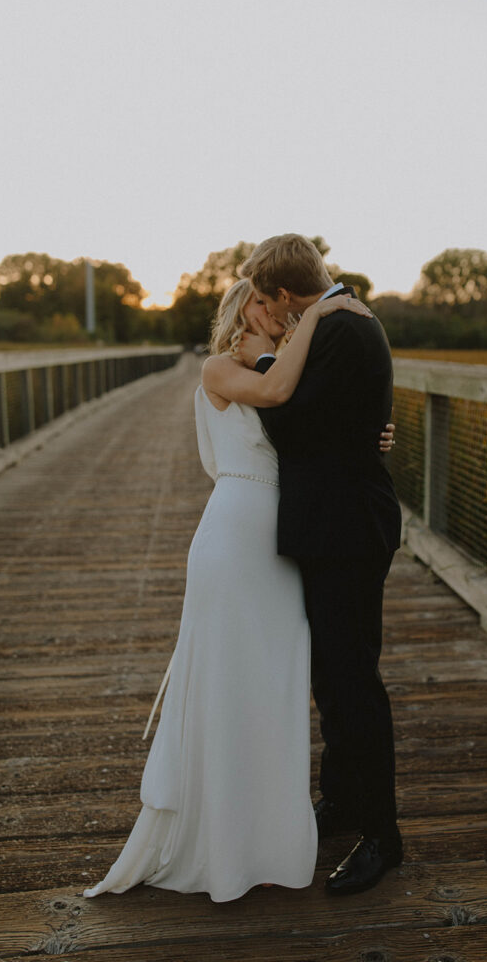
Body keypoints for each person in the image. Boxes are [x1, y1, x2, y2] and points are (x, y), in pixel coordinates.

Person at [82, 278, 391, 904]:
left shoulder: (283, 364)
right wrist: (324, 309)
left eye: (275, 304)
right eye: (258, 302)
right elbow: (277, 393)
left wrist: (375, 435)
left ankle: (270, 830)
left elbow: (320, 420)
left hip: (283, 541)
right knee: (227, 680)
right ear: (237, 310)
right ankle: (220, 838)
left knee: (273, 683)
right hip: (235, 536)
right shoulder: (221, 367)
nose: (272, 311)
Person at [237, 233, 403, 896]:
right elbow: (333, 418)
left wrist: (265, 358)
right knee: (331, 677)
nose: (258, 307)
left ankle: (382, 835)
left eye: (260, 296)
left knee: (353, 681)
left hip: (347, 529)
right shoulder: (333, 323)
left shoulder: (343, 327)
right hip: (328, 524)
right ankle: (339, 803)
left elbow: (296, 427)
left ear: (283, 294)